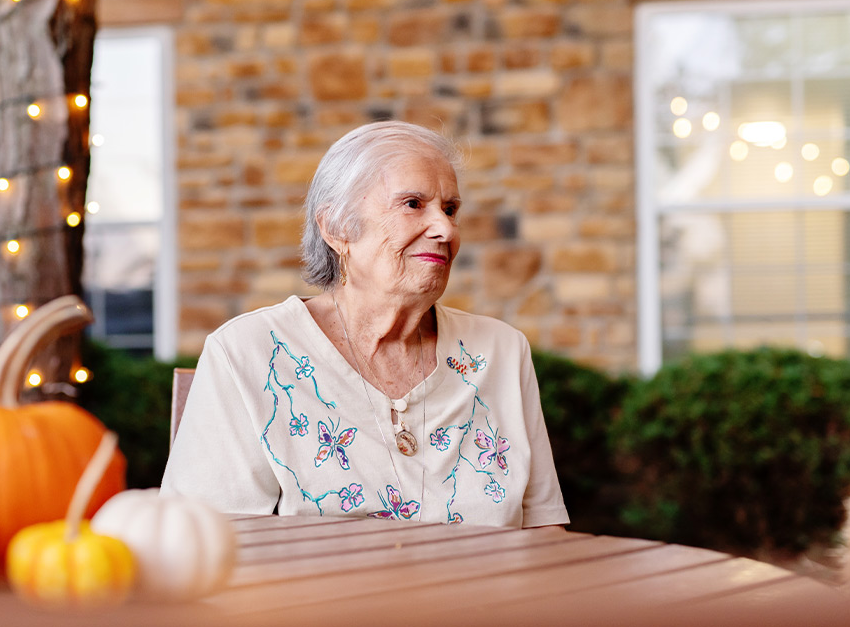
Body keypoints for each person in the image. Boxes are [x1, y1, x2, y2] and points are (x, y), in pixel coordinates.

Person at [161, 121, 570, 530]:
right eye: (412, 204)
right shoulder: (248, 353)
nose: (445, 229)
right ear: (337, 228)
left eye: (450, 209)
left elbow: (544, 532)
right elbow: (202, 545)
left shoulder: (500, 351)